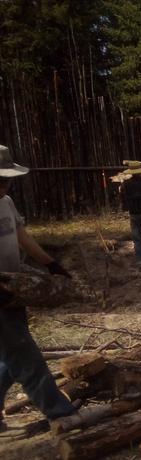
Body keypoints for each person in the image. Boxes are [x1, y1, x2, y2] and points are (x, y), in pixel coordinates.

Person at [0, 145, 77, 432]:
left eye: (7, 180)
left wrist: (50, 263)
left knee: (10, 356)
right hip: (1, 295)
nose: (4, 185)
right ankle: (60, 412)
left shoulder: (6, 202)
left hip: (14, 290)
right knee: (24, 355)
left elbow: (20, 235)